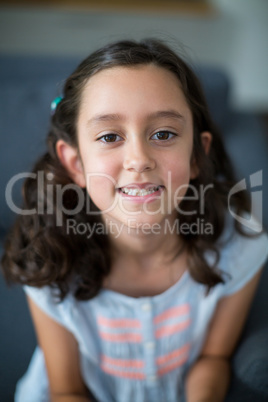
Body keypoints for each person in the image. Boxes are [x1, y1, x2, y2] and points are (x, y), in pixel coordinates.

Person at [1, 39, 268, 402]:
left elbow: (213, 357)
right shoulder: (50, 259)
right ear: (76, 164)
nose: (138, 159)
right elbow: (66, 390)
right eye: (110, 136)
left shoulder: (240, 244)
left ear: (196, 157)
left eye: (164, 134)